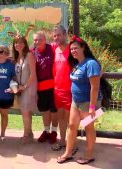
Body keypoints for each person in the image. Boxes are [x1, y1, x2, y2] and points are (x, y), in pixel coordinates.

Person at [57, 36, 102, 164]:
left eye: (76, 48)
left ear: (83, 48)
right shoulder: (77, 64)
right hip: (75, 102)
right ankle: (68, 152)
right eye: (71, 49)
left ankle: (89, 155)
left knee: (88, 128)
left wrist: (92, 107)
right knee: (72, 126)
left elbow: (95, 87)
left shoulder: (91, 63)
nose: (73, 51)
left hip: (88, 103)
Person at [51, 25, 78, 154]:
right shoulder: (54, 49)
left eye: (59, 35)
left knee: (70, 120)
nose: (56, 38)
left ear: (65, 35)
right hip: (57, 90)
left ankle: (71, 144)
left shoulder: (72, 49)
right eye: (54, 35)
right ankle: (62, 141)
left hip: (70, 90)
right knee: (61, 118)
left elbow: (86, 60)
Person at [32, 31, 58, 144]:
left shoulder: (52, 47)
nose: (37, 42)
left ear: (45, 40)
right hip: (40, 87)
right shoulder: (32, 52)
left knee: (54, 110)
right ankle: (46, 131)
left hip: (54, 85)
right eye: (35, 40)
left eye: (39, 39)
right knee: (45, 110)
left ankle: (54, 131)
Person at [12, 36, 37, 144]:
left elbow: (33, 74)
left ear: (25, 44)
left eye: (21, 42)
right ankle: (29, 133)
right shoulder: (17, 57)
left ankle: (26, 135)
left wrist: (25, 86)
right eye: (16, 43)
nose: (19, 45)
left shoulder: (29, 55)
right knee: (25, 112)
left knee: (25, 112)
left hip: (28, 87)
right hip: (20, 88)